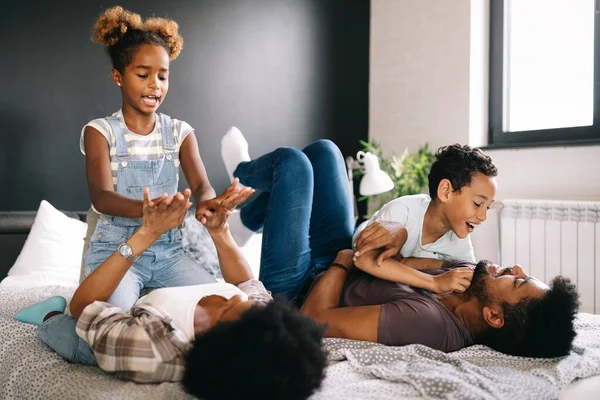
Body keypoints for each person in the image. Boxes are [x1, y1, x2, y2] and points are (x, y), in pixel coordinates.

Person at [219, 130, 578, 358]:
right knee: (325, 150)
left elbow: (312, 319)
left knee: (293, 164)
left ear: (494, 316)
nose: (514, 268)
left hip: (300, 288)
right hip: (340, 260)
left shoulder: (428, 324)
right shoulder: (470, 276)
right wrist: (395, 248)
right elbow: (410, 261)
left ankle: (241, 173)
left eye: (517, 281)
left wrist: (345, 260)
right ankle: (246, 221)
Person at [16, 186, 327, 400]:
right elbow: (248, 285)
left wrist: (146, 234)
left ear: (224, 335)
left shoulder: (152, 349)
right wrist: (220, 231)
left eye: (235, 309)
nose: (246, 300)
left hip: (140, 308)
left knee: (85, 346)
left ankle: (49, 314)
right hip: (165, 280)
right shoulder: (264, 321)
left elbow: (84, 303)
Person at [80, 6, 231, 310]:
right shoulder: (100, 132)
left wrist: (209, 203)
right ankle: (55, 317)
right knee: (103, 323)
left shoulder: (180, 133)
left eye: (163, 76)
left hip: (168, 254)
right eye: (143, 74)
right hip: (117, 252)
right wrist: (147, 212)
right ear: (118, 76)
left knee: (221, 309)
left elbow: (201, 185)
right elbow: (102, 197)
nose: (155, 85)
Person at [351, 144, 498, 269]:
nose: (483, 216)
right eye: (478, 203)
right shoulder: (402, 211)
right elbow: (365, 259)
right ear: (445, 191)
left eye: (487, 207)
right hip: (364, 232)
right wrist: (436, 275)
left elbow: (469, 271)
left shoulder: (459, 240)